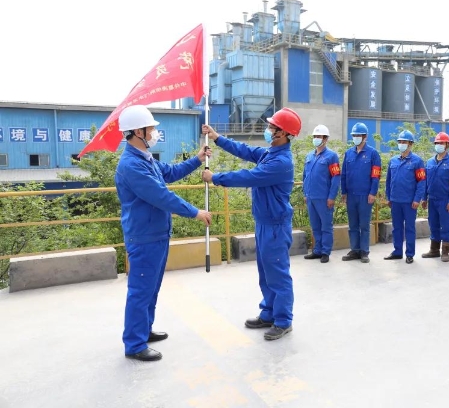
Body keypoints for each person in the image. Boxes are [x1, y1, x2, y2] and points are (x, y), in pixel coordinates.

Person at [115, 105, 212, 362]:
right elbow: (161, 195)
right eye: (151, 128)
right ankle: (134, 344)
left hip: (156, 233)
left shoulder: (145, 158)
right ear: (138, 132)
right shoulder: (132, 165)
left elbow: (169, 173)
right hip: (144, 236)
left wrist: (197, 159)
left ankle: (144, 330)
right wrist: (195, 212)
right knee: (140, 290)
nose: (155, 133)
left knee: (151, 288)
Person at [201, 107, 301, 341]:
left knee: (278, 273)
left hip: (275, 226)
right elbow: (245, 150)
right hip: (264, 222)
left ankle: (283, 320)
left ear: (282, 133)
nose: (268, 130)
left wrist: (215, 178)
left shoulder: (281, 162)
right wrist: (217, 138)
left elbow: (249, 176)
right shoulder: (270, 154)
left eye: (271, 127)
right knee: (266, 272)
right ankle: (268, 313)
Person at [340, 122, 382, 264]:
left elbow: (376, 175)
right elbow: (344, 174)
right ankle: (355, 250)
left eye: (359, 135)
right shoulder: (348, 153)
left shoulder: (373, 154)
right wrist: (343, 191)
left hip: (365, 195)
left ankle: (364, 251)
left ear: (365, 137)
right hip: (351, 195)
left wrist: (373, 193)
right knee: (353, 225)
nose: (356, 137)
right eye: (354, 135)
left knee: (364, 225)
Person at [383, 130, 426, 264]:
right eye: (400, 141)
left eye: (404, 142)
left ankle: (410, 254)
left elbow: (421, 182)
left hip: (409, 202)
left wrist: (417, 199)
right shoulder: (393, 161)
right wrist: (389, 197)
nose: (401, 144)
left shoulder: (417, 161)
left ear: (410, 144)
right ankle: (397, 252)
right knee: (396, 228)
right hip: (395, 201)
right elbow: (389, 181)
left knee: (409, 228)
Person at [302, 124, 341, 263]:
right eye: (315, 136)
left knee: (326, 226)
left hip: (324, 198)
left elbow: (336, 177)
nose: (316, 139)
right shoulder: (309, 156)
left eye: (319, 136)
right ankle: (317, 250)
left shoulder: (332, 156)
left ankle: (325, 251)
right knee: (315, 226)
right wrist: (305, 193)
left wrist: (332, 197)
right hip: (311, 197)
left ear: (325, 139)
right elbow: (305, 176)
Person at [421, 131, 449, 263]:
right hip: (432, 199)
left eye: (441, 143)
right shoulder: (430, 162)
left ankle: (445, 252)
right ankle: (434, 250)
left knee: (446, 226)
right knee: (433, 225)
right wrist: (424, 198)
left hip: (445, 200)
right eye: (437, 143)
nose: (439, 145)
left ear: (447, 145)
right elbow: (426, 181)